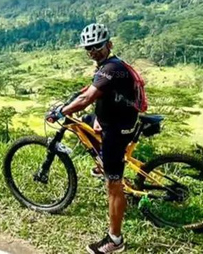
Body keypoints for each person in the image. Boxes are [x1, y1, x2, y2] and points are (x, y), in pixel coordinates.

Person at [47, 23, 141, 254]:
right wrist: (70, 102)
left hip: (118, 129)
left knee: (113, 185)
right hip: (110, 118)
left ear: (109, 44)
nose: (92, 51)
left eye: (97, 46)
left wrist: (62, 111)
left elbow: (88, 97)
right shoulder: (107, 65)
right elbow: (91, 90)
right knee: (88, 121)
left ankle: (115, 240)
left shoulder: (111, 69)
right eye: (88, 48)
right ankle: (103, 163)